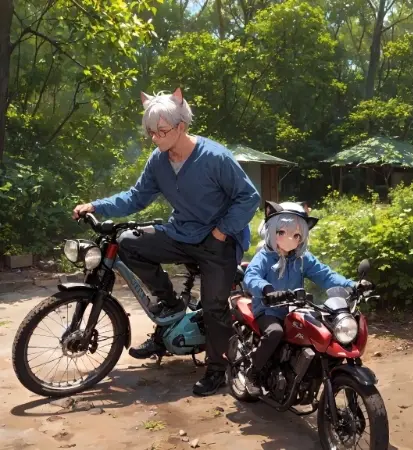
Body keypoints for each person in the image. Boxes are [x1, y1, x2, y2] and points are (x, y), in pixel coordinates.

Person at [72, 87, 260, 396]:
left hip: (219, 241)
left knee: (214, 307)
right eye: (151, 133)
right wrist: (97, 206)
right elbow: (136, 197)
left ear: (182, 127)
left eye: (162, 131)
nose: (156, 138)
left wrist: (222, 232)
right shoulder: (158, 161)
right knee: (129, 242)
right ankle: (170, 305)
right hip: (181, 233)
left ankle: (217, 369)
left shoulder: (215, 158)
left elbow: (248, 198)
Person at [242, 201, 372, 396]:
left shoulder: (303, 259)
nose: (290, 239)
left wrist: (352, 285)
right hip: (268, 309)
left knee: (321, 329)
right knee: (275, 333)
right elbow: (251, 276)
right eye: (282, 233)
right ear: (272, 231)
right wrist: (266, 289)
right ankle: (253, 373)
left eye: (296, 235)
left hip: (296, 308)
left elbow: (326, 276)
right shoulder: (264, 257)